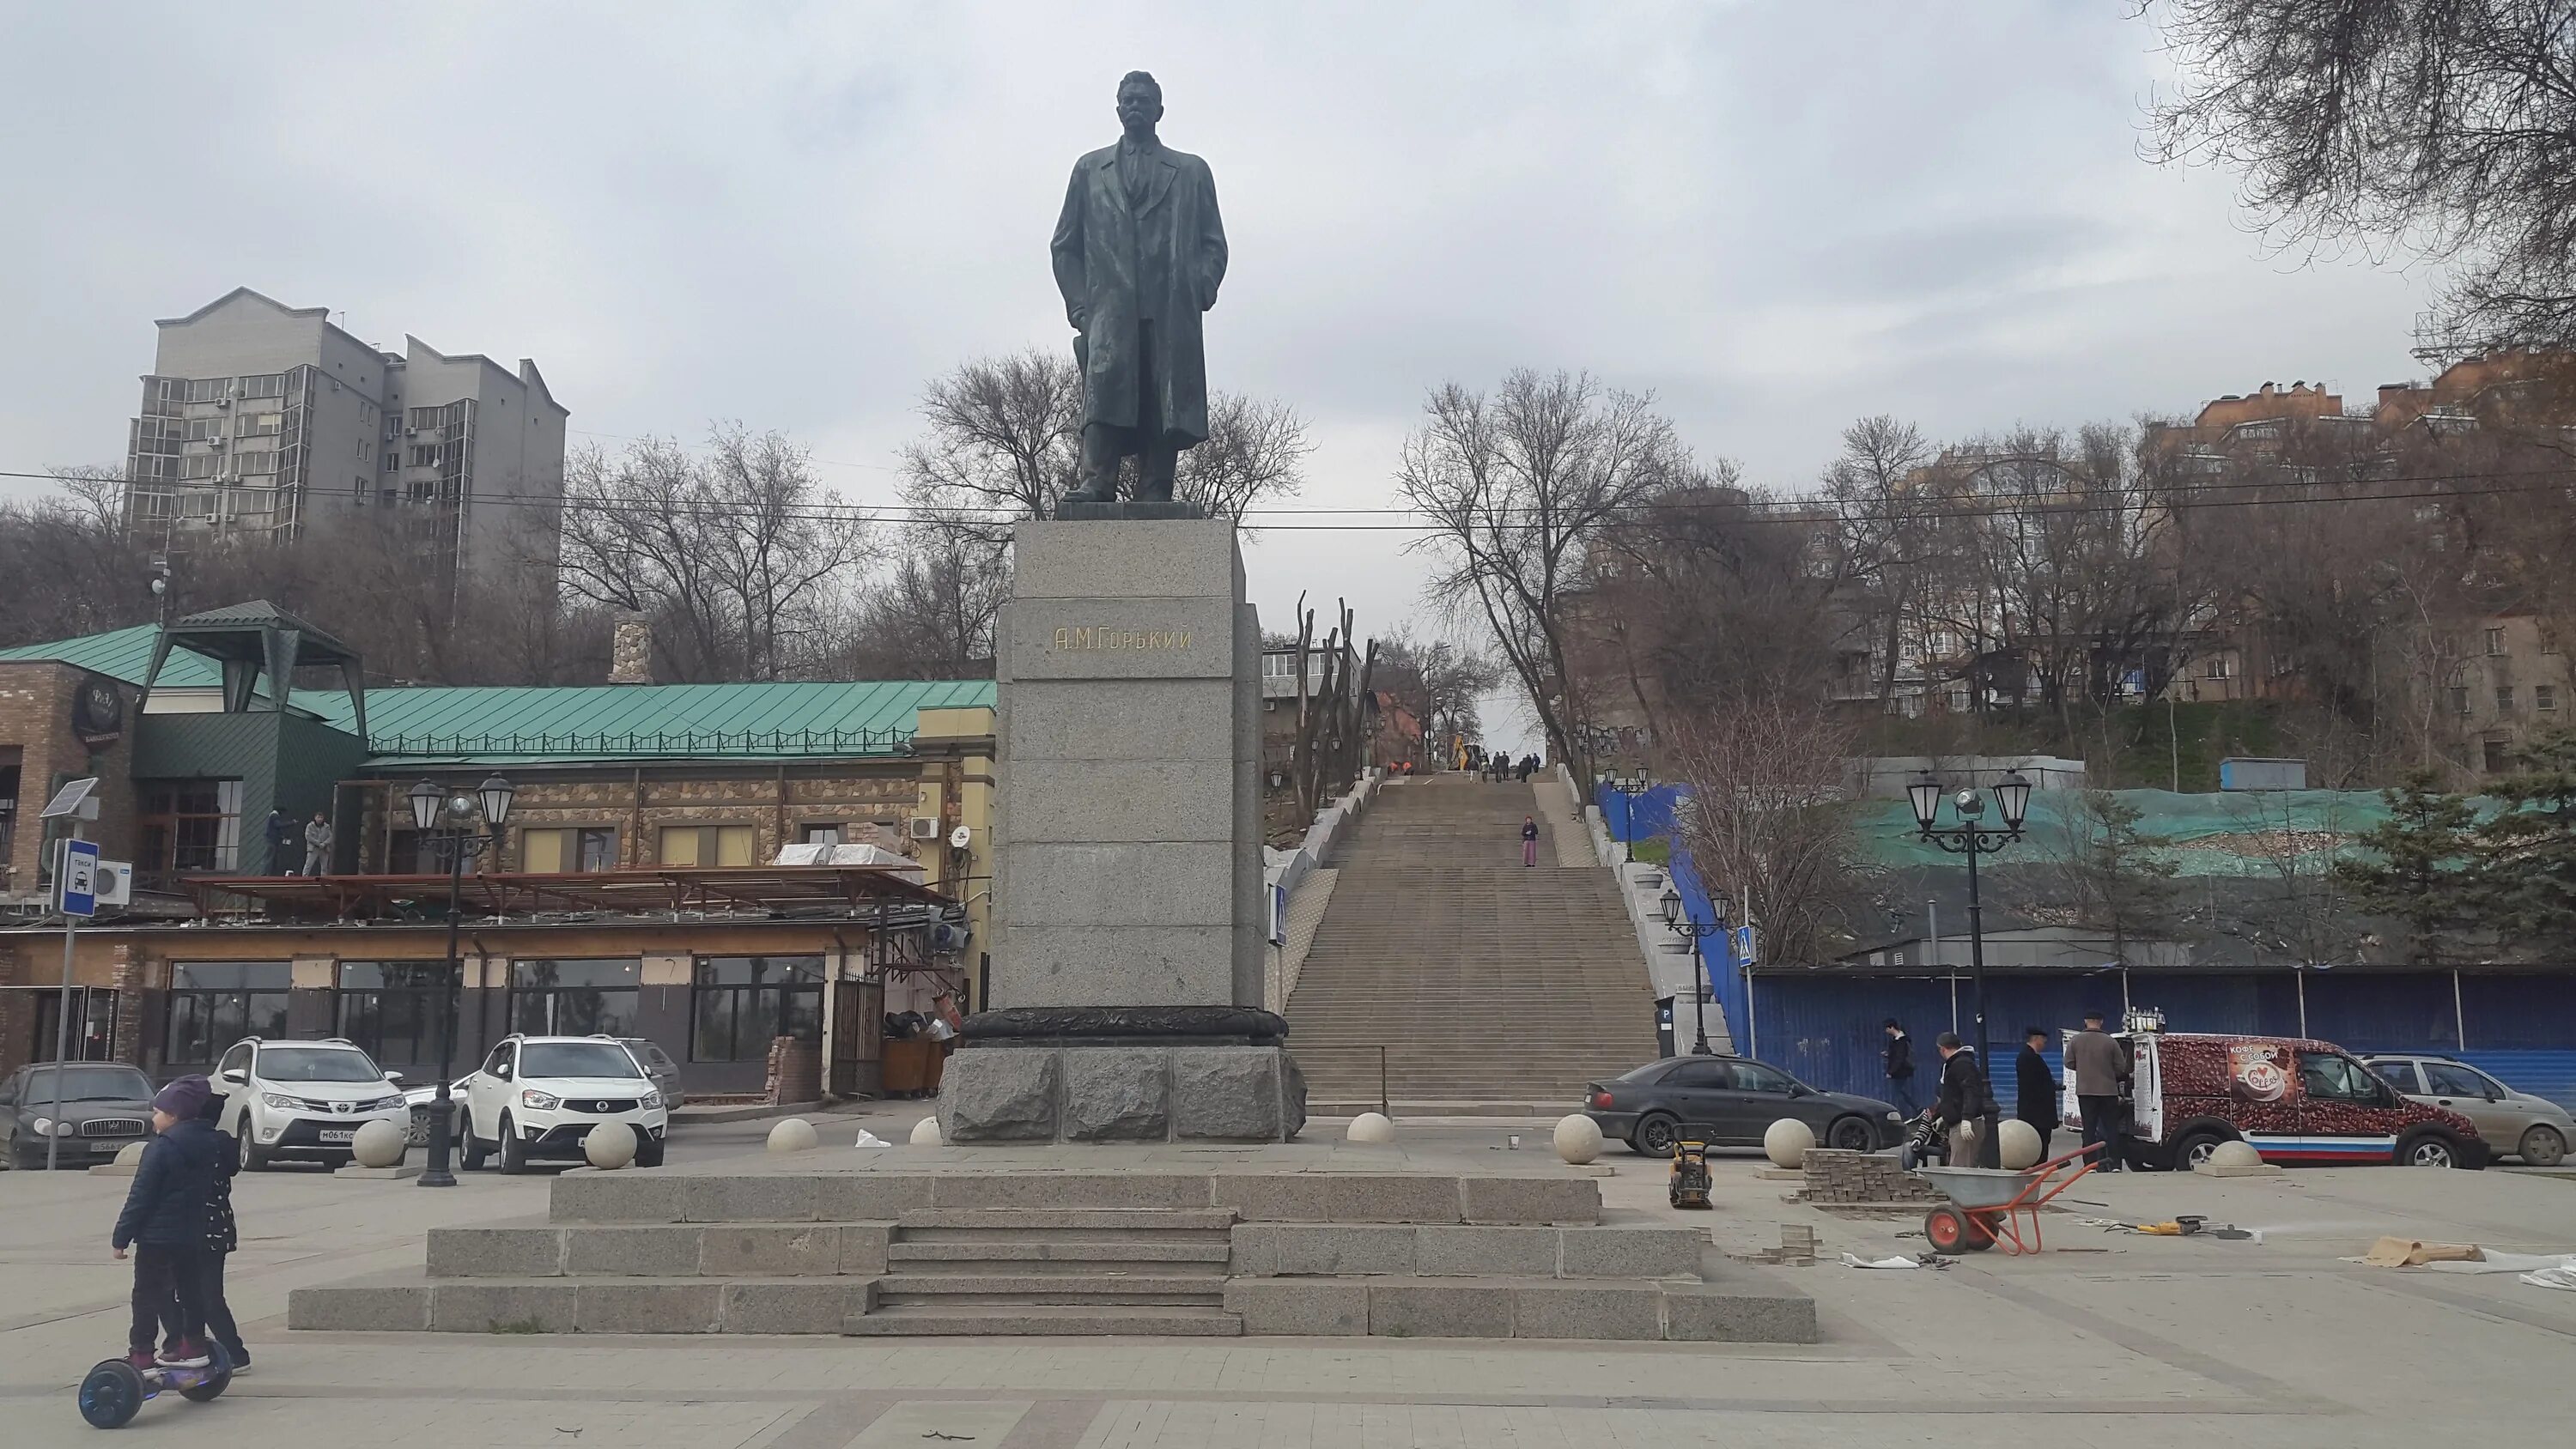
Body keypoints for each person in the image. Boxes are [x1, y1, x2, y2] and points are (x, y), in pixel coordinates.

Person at [112, 1076, 222, 1369]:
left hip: (157, 1238)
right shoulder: (210, 1144)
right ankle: (193, 1345)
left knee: (147, 1295)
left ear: (173, 1116)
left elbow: (141, 1197)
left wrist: (121, 1237)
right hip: (191, 1234)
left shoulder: (160, 1148)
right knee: (190, 1290)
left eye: (158, 1112)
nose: (153, 1117)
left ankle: (142, 1354)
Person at [174, 1088, 247, 1373]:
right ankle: (211, 1349)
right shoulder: (222, 1143)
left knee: (197, 1295)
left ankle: (230, 1352)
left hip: (193, 1228)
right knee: (207, 1293)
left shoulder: (188, 1143)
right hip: (218, 1227)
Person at [2066, 1009, 2132, 1172]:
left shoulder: (2075, 1041)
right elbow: (2121, 1066)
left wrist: (2084, 1069)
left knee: (2089, 1129)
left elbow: (2068, 1063)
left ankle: (2089, 1165)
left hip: (2086, 1091)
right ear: (2101, 1022)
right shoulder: (2110, 1041)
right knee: (2111, 1129)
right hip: (2108, 1091)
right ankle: (2115, 1164)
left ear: (2085, 1021)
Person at [1928, 1031, 2001, 1169]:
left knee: (1960, 1170)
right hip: (1959, 1122)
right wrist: (1944, 1116)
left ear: (1942, 1049)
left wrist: (1966, 1118)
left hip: (1964, 1125)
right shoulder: (1958, 1063)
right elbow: (1955, 1096)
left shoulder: (1961, 1064)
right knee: (1962, 1167)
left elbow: (1971, 1092)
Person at [2016, 1027, 2059, 1159]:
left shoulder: (2029, 1056)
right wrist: (2051, 1086)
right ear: (2036, 1039)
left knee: (2041, 1142)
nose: (2044, 1045)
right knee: (2039, 1143)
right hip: (2036, 1113)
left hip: (2035, 1112)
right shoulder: (2029, 1057)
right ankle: (2038, 1169)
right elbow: (2035, 1084)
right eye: (2043, 1041)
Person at [1881, 1019, 1917, 1116]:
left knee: (1898, 1094)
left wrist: (1891, 1071)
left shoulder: (1902, 1041)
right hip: (1899, 1071)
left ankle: (1906, 1113)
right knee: (1901, 1092)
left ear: (1891, 1027)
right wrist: (1888, 1054)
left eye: (1887, 1028)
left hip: (1901, 1071)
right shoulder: (1896, 1040)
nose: (1886, 1031)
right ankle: (1917, 1109)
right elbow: (1897, 1055)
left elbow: (1900, 1058)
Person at [301, 810, 334, 877]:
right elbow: (308, 836)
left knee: (324, 867)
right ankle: (304, 878)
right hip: (313, 848)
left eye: (321, 817)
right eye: (318, 817)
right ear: (315, 818)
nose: (320, 819)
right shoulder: (310, 826)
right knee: (308, 865)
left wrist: (324, 844)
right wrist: (318, 844)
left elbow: (330, 837)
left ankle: (324, 880)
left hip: (324, 849)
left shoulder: (327, 826)